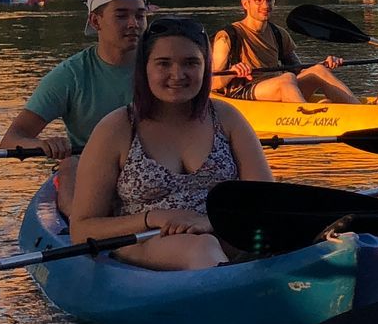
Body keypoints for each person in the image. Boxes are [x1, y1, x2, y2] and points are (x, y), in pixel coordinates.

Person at [67, 16, 273, 270]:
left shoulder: (227, 118)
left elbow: (266, 204)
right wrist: (153, 218)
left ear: (205, 67)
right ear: (144, 68)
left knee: (259, 244)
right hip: (147, 240)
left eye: (191, 63)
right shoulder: (116, 128)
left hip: (220, 232)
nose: (178, 75)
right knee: (201, 247)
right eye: (163, 64)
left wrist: (210, 222)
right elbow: (82, 229)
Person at [0, 0, 152, 213]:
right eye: (121, 15)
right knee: (69, 164)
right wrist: (43, 144)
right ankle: (84, 222)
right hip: (93, 167)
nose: (134, 23)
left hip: (156, 163)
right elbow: (12, 138)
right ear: (95, 20)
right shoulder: (69, 76)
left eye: (140, 15)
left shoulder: (164, 68)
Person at [210, 0, 356, 104]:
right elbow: (214, 84)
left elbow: (298, 70)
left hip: (278, 87)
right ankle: (308, 118)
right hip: (243, 93)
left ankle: (357, 109)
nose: (265, 5)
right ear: (245, 4)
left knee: (318, 71)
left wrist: (325, 64)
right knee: (286, 79)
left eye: (269, 0)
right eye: (258, 1)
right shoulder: (227, 36)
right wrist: (232, 72)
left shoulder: (278, 33)